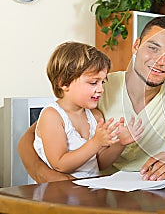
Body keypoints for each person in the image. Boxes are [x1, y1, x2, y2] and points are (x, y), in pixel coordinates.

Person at [18, 16, 165, 183]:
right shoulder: (99, 87)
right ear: (136, 46)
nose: (160, 61)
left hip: (153, 193)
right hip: (97, 195)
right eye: (153, 48)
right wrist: (52, 179)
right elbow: (29, 140)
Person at [33, 41, 143, 179]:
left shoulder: (96, 116)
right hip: (60, 194)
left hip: (89, 191)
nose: (101, 89)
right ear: (64, 83)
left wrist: (120, 143)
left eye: (102, 82)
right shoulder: (52, 116)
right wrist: (96, 142)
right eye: (93, 82)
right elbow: (60, 164)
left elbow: (100, 164)